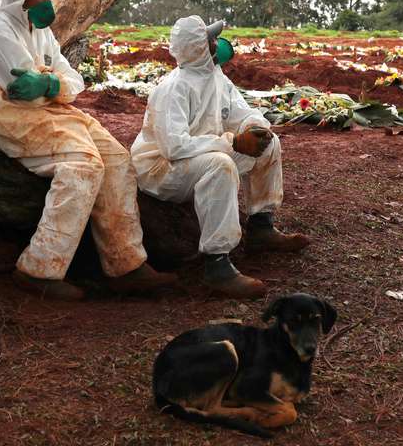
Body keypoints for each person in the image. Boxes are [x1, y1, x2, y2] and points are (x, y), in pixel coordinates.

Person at [0, 0, 176, 300]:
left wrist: (48, 81)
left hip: (50, 108)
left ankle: (125, 264)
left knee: (117, 160)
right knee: (83, 165)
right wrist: (53, 83)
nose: (48, 1)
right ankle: (39, 269)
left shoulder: (43, 33)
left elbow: (75, 82)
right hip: (3, 112)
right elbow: (25, 95)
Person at [131, 15, 308, 299]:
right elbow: (174, 148)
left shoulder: (216, 77)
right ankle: (217, 265)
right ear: (199, 47)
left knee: (268, 144)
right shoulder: (173, 88)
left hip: (199, 155)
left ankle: (261, 226)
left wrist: (254, 128)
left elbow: (241, 112)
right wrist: (233, 143)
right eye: (212, 40)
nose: (219, 44)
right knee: (221, 164)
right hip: (161, 170)